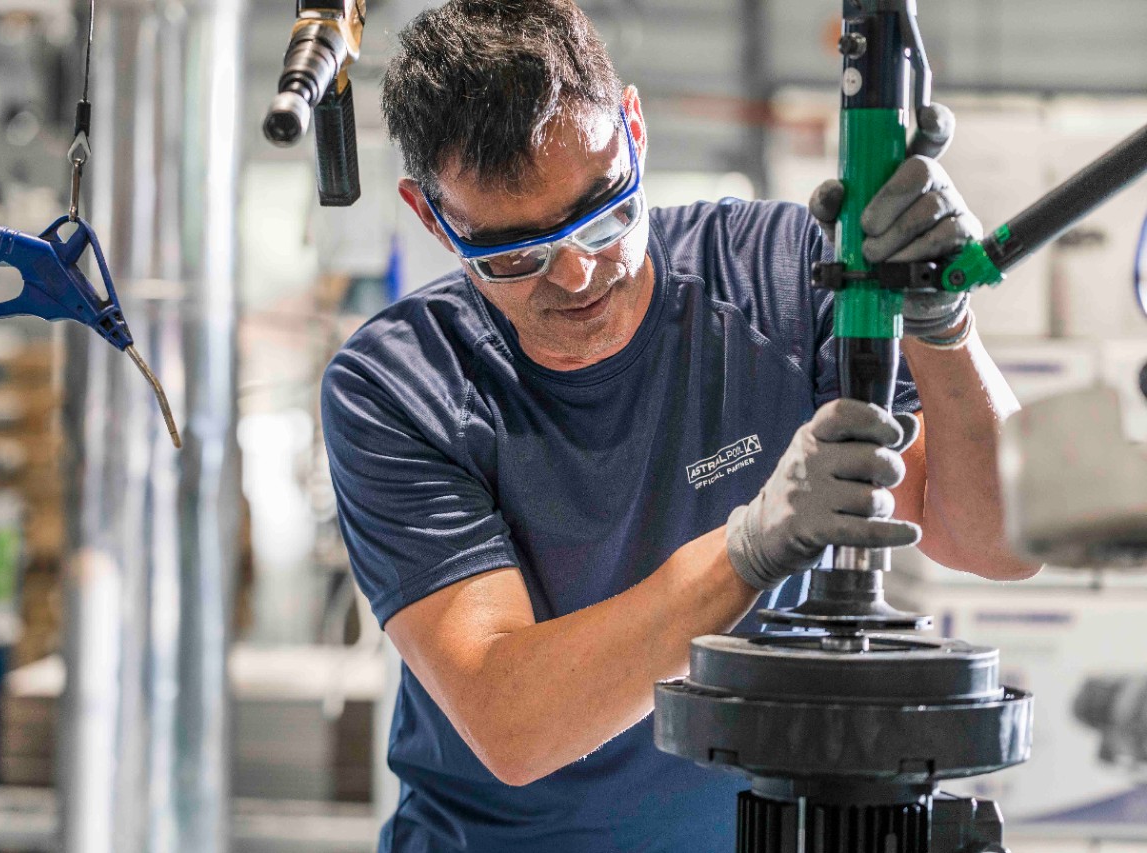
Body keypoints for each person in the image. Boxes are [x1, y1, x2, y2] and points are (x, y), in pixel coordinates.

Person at [320, 2, 1039, 850]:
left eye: (603, 211)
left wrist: (943, 327)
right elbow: (514, 722)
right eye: (515, 252)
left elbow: (997, 542)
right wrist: (747, 550)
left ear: (633, 128)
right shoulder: (399, 384)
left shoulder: (780, 276)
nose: (578, 273)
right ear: (432, 215)